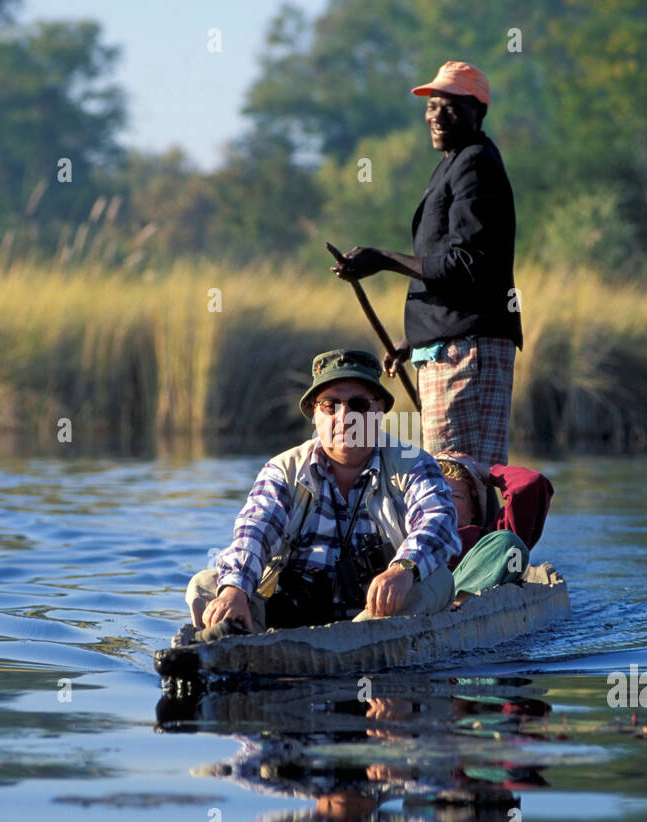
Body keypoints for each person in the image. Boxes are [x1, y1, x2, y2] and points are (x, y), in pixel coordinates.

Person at [186, 349, 461, 635]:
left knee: (437, 579)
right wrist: (235, 590)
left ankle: (356, 643)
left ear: (379, 411)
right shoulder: (283, 470)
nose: (344, 417)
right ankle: (236, 642)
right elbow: (253, 533)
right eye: (330, 405)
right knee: (205, 586)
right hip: (296, 617)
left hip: (383, 616)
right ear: (315, 415)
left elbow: (437, 521)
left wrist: (403, 569)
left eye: (358, 404)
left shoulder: (415, 463)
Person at [330, 60, 519, 465]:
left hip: (467, 349)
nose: (436, 114)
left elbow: (466, 265)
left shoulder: (474, 163)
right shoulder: (455, 161)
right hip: (454, 343)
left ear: (478, 111)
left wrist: (382, 258)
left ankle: (468, 532)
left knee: (456, 478)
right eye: (432, 104)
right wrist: (414, 339)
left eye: (451, 105)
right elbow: (456, 269)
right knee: (467, 478)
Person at [434, 452, 553, 601]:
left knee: (509, 542)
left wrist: (488, 473)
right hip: (416, 596)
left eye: (455, 496)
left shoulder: (488, 539)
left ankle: (460, 600)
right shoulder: (404, 534)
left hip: (457, 601)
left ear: (473, 510)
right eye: (434, 495)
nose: (443, 503)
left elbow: (531, 483)